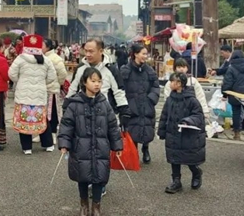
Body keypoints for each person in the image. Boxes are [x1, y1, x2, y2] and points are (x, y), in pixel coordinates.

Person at [58, 67, 123, 216]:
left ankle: (96, 206)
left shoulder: (104, 103)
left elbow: (113, 126)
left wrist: (117, 145)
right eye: (93, 81)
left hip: (101, 147)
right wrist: (64, 144)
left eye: (99, 81)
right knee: (82, 177)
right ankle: (83, 205)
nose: (97, 84)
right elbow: (67, 125)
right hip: (80, 147)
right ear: (84, 82)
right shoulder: (74, 104)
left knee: (99, 178)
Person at [158, 72, 206, 194]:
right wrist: (162, 131)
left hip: (187, 134)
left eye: (173, 81)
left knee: (190, 158)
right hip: (173, 133)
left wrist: (187, 121)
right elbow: (164, 115)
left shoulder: (192, 100)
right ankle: (176, 181)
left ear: (179, 84)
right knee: (174, 158)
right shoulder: (170, 99)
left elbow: (198, 116)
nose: (170, 84)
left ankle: (196, 173)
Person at [9, 34, 57, 154]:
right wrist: (41, 82)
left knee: (24, 120)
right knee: (42, 119)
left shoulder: (20, 58)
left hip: (23, 95)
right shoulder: (46, 60)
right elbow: (52, 77)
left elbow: (11, 74)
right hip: (39, 95)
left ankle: (27, 147)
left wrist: (20, 81)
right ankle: (48, 144)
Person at [120, 44, 160, 164]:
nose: (145, 56)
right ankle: (134, 152)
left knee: (147, 126)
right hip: (131, 103)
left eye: (146, 54)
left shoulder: (149, 70)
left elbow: (155, 86)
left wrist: (151, 99)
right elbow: (120, 88)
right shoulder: (125, 70)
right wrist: (123, 104)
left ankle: (146, 149)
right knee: (132, 128)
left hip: (146, 103)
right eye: (143, 53)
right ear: (135, 54)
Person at [41, 38, 68, 144]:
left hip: (52, 89)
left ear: (48, 47)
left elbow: (63, 74)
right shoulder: (40, 57)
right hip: (41, 89)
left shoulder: (55, 59)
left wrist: (58, 83)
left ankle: (52, 133)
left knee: (52, 113)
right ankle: (41, 133)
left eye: (42, 45)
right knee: (42, 112)